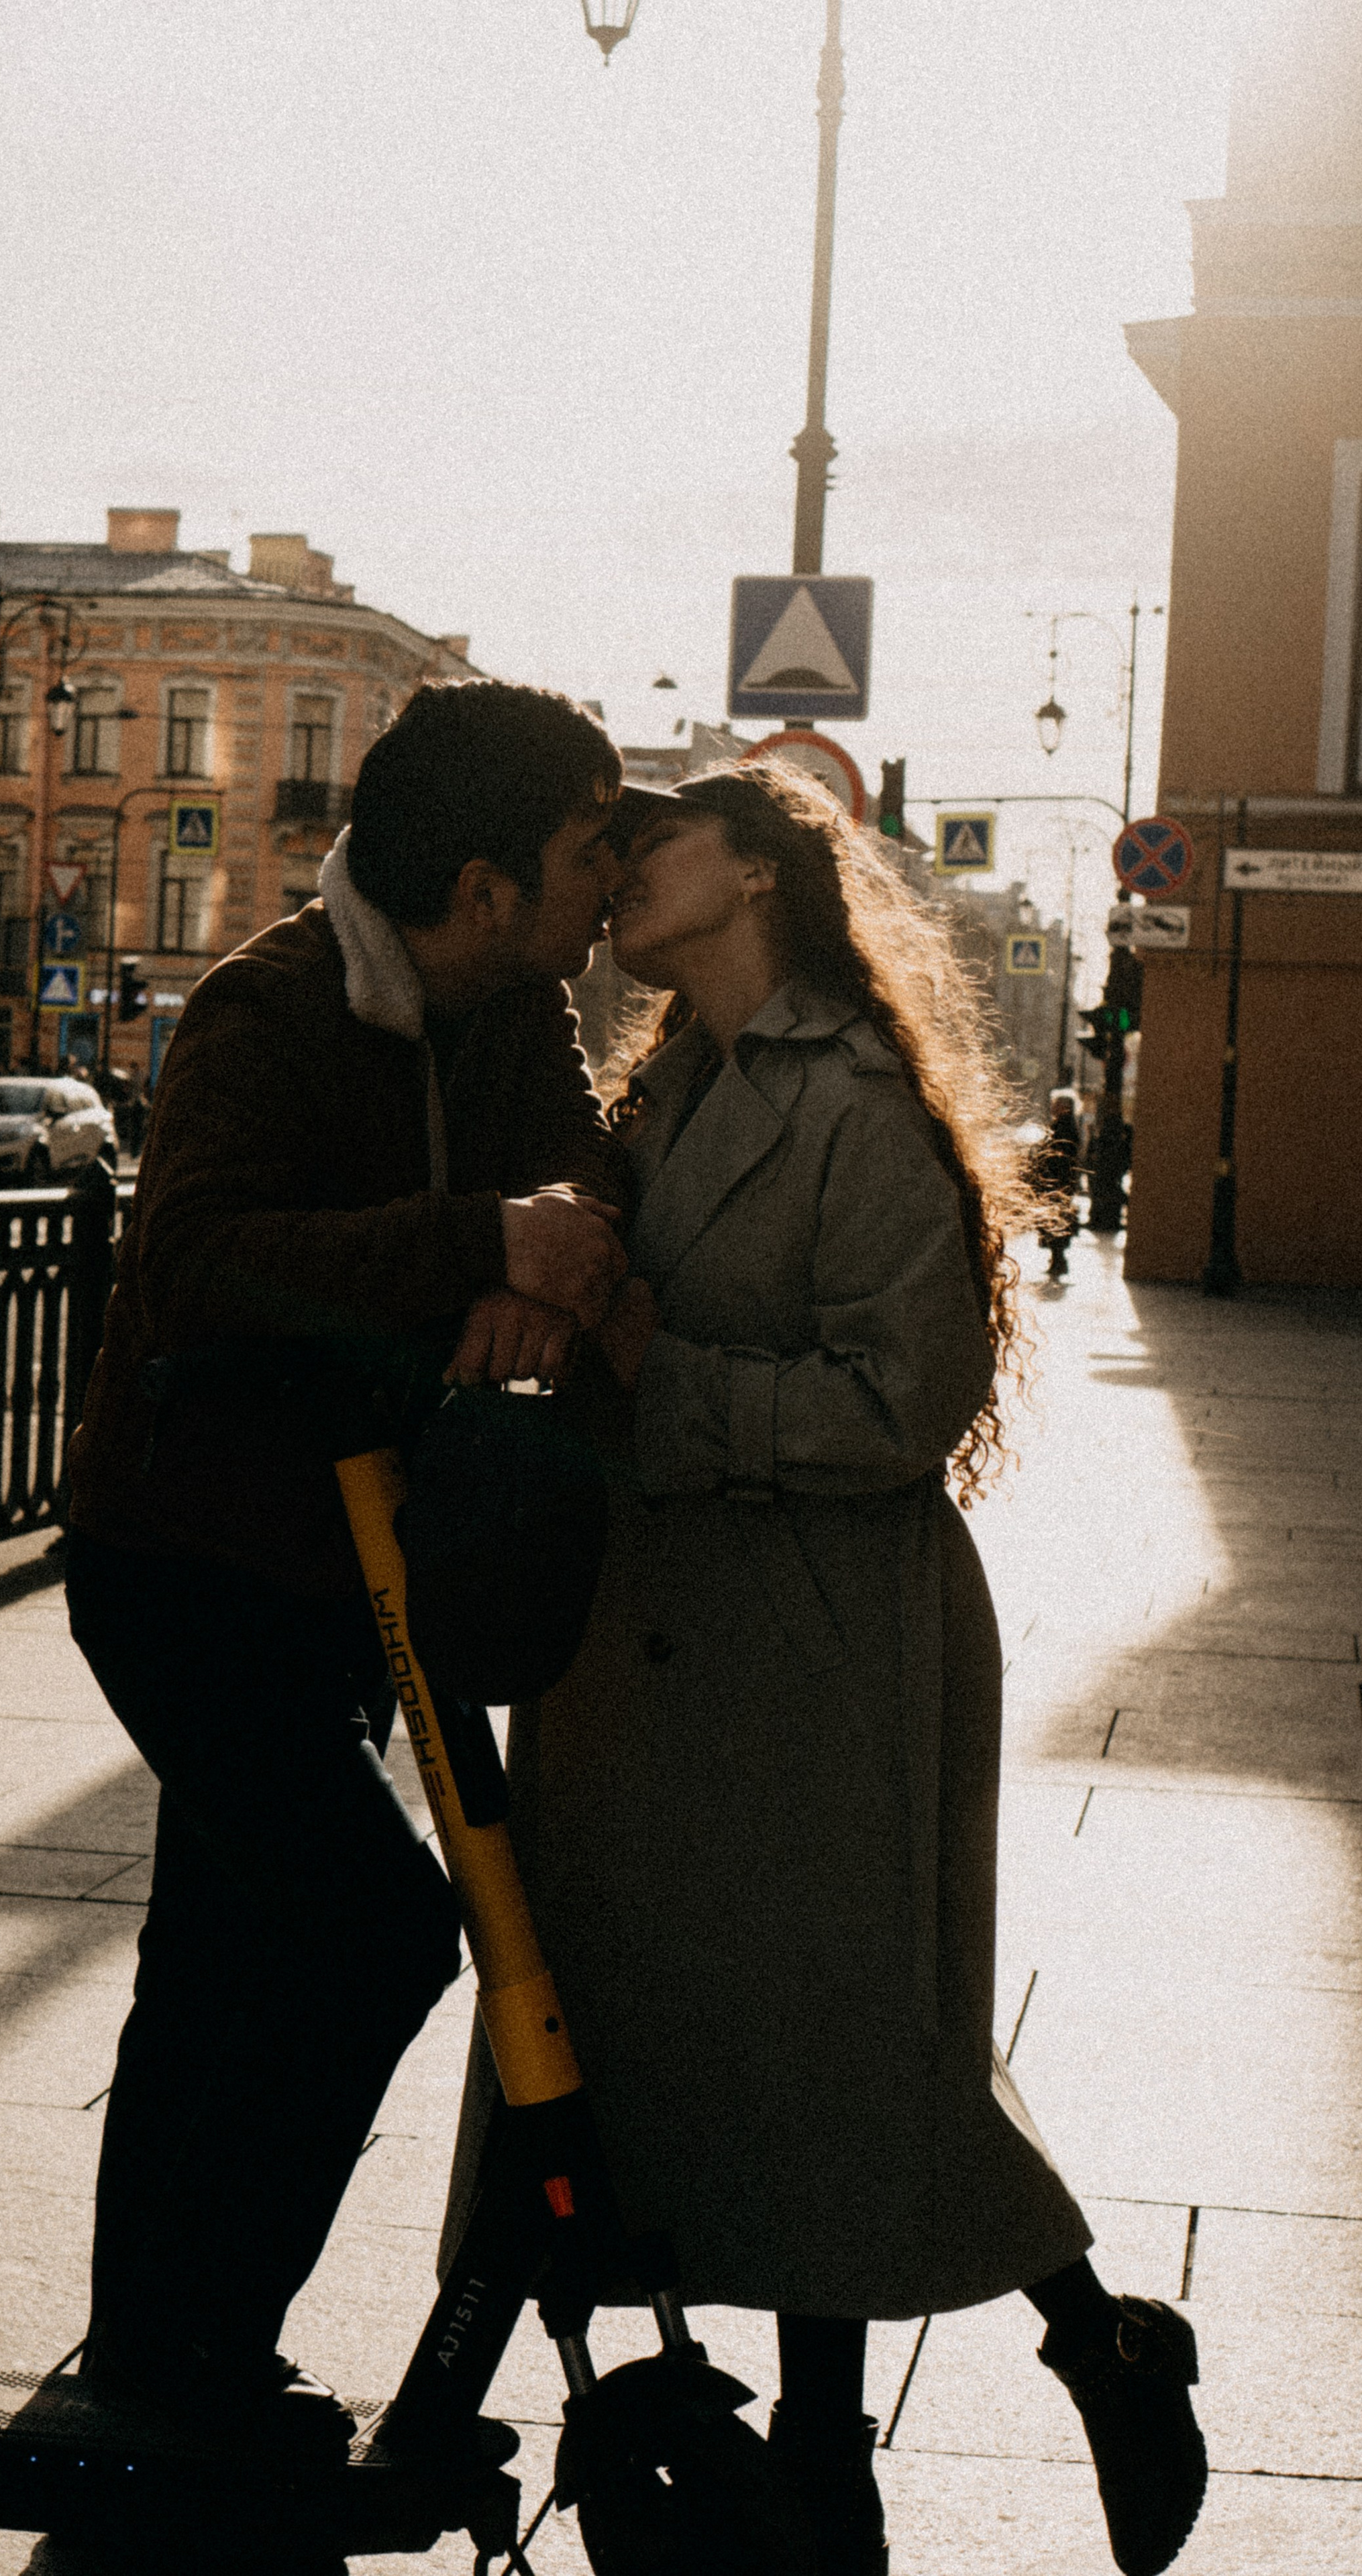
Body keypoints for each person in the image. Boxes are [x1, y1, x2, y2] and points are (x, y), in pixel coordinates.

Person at [441, 761, 1206, 2576]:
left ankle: (993, 2389)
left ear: (765, 873)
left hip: (824, 1636)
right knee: (709, 2049)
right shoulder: (667, 1084)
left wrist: (649, 1349)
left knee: (850, 2043)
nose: (624, 873)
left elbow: (903, 1407)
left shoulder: (860, 1108)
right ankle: (882, 2424)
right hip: (650, 1646)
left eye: (660, 846)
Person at [62, 680, 629, 2455]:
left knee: (217, 1958)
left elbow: (578, 1184)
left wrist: (530, 1260)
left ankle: (166, 2357)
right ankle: (196, 2345)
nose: (608, 884)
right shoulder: (275, 1008)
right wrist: (475, 1243)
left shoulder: (512, 1008)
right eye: (587, 850)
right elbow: (199, 1266)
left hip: (337, 1572)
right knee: (374, 1934)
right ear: (479, 887)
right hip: (186, 1558)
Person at [1039, 1086, 1084, 1279]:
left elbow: (1057, 1155)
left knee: (1054, 1220)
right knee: (1057, 1219)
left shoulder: (1062, 1127)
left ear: (1064, 1106)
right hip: (1062, 1181)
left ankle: (1058, 1259)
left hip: (1057, 1181)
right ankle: (1057, 1258)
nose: (1052, 1107)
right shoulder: (1069, 1125)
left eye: (1056, 1104)